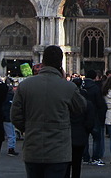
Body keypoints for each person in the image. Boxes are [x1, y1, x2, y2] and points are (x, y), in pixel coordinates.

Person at [12, 45, 87, 178]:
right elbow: (81, 108)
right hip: (58, 151)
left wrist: (29, 128)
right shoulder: (68, 87)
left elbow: (15, 116)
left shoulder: (25, 85)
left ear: (43, 61)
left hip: (32, 148)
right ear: (60, 63)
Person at [67, 77, 96, 178]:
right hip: (80, 136)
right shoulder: (88, 103)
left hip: (66, 136)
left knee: (66, 163)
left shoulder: (67, 102)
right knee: (77, 163)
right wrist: (86, 131)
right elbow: (90, 123)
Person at [2, 80, 19, 156]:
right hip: (8, 117)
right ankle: (11, 149)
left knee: (8, 134)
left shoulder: (3, 97)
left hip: (3, 117)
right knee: (11, 134)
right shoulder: (12, 97)